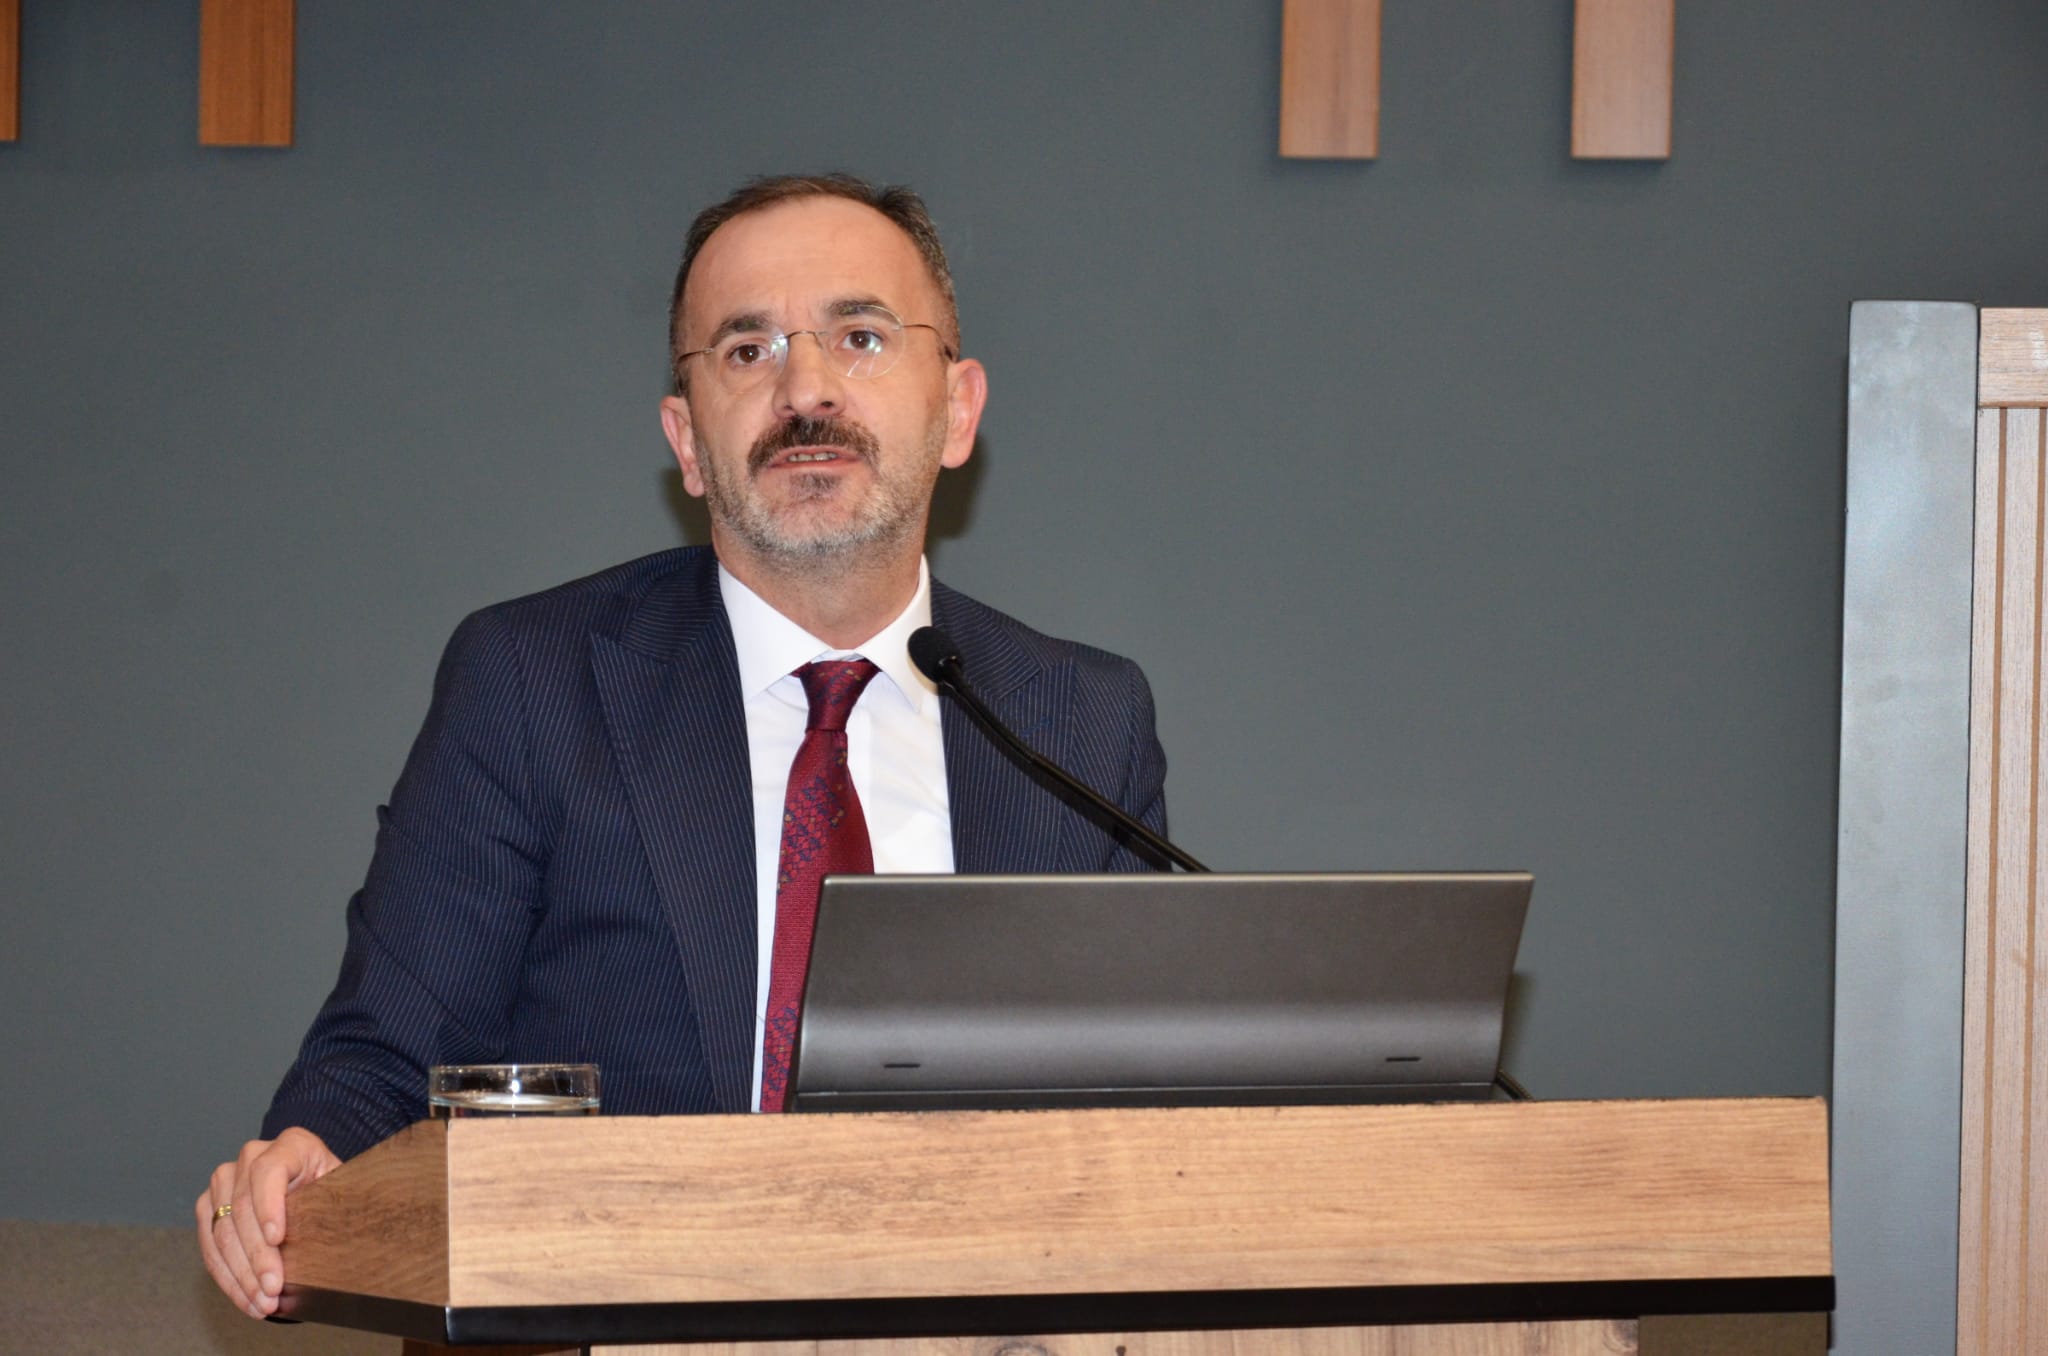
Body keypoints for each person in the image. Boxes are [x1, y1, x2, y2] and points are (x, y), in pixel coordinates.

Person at [195, 174, 1170, 1319]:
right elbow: (390, 1054)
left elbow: (1150, 1106)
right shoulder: (533, 682)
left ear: (956, 411)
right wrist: (307, 1157)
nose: (804, 389)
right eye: (747, 351)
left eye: (858, 337)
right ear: (687, 442)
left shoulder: (1077, 721)